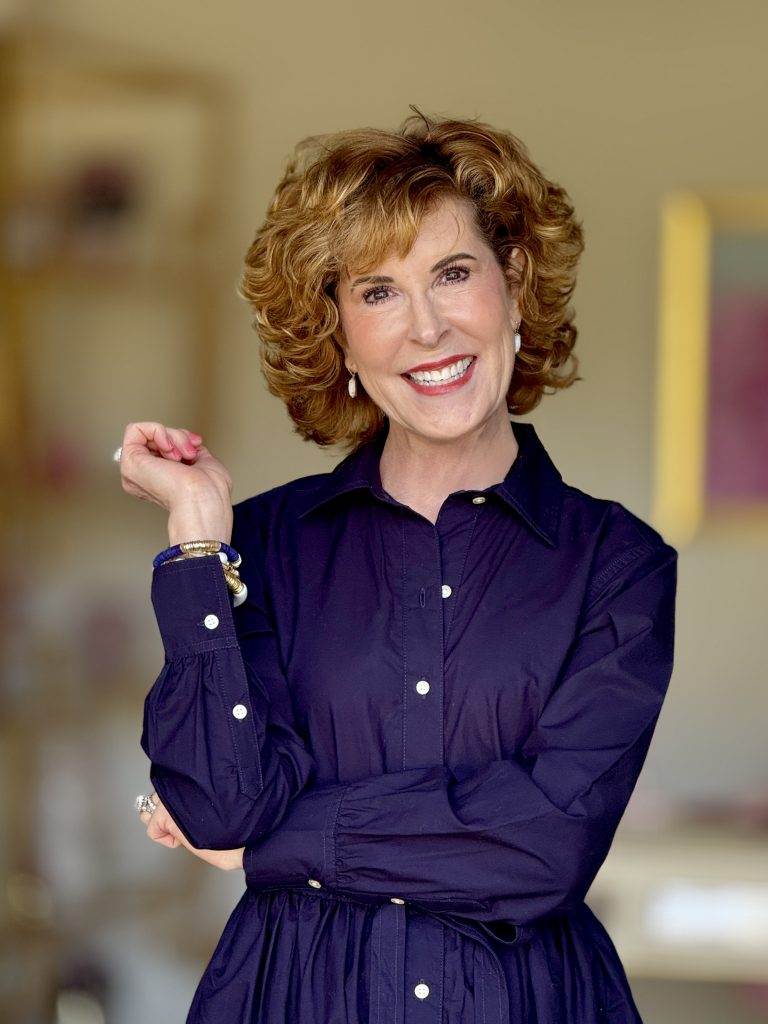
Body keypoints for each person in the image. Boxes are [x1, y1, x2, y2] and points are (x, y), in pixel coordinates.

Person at [119, 108, 678, 1023]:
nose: (425, 326)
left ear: (514, 285)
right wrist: (195, 539)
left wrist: (281, 842)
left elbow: (545, 847)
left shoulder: (617, 565)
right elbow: (220, 806)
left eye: (453, 273)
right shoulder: (254, 546)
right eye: (377, 291)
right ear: (336, 333)